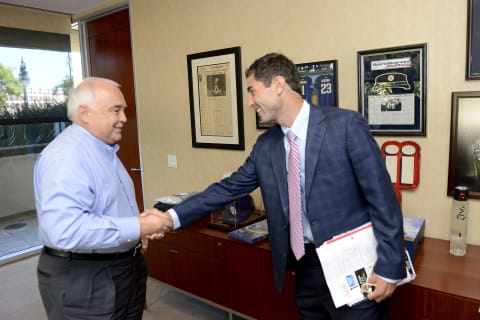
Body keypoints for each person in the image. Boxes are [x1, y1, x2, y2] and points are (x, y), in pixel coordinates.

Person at [155, 52, 406, 319]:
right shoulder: (266, 146)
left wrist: (390, 266)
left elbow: (382, 199)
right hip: (305, 267)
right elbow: (228, 189)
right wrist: (170, 217)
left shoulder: (345, 126)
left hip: (353, 264)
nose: (250, 102)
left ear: (277, 84)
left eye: (252, 91)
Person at [34, 77, 172, 320]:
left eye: (123, 110)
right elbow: (65, 230)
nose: (123, 118)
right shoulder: (67, 156)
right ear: (85, 113)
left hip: (124, 267)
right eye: (115, 110)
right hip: (85, 277)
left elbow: (107, 206)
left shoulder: (102, 150)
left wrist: (136, 233)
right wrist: (137, 226)